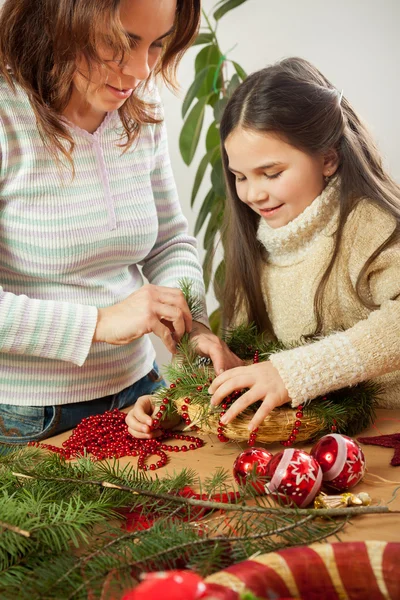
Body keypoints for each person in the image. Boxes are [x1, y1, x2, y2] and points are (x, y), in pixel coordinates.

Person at [0, 0, 240, 448]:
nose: (141, 72)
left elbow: (168, 242)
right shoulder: (6, 115)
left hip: (140, 394)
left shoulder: (139, 106)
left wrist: (196, 329)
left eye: (156, 45)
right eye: (119, 44)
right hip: (28, 417)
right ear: (57, 20)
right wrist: (99, 323)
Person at [127, 56, 400, 438]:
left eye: (271, 173)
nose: (253, 194)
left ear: (328, 159)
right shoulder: (256, 242)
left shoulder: (369, 224)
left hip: (383, 437)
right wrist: (173, 405)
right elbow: (251, 361)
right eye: (239, 177)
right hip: (297, 440)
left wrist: (294, 373)